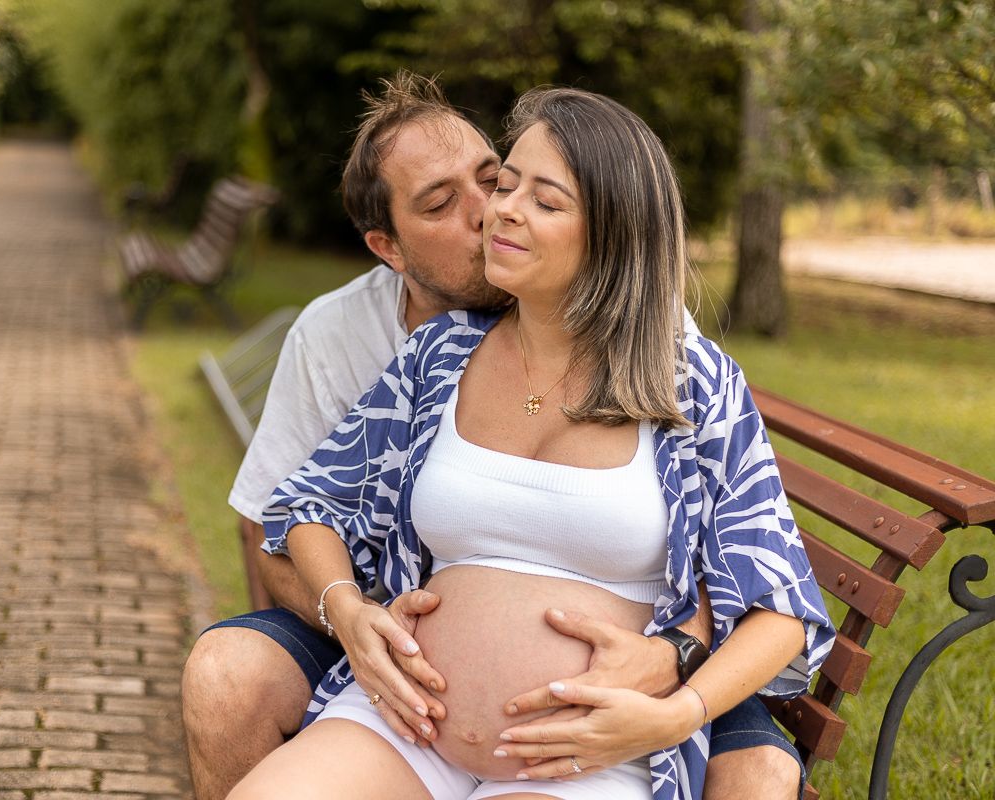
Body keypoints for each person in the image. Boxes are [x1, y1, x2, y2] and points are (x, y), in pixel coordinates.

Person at [183, 73, 814, 799]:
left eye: (536, 198)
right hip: (405, 725)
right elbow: (303, 504)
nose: (497, 213)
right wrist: (348, 608)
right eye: (506, 186)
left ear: (615, 232)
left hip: (583, 754)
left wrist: (673, 714)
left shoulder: (685, 376)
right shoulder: (441, 354)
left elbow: (778, 601)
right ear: (386, 244)